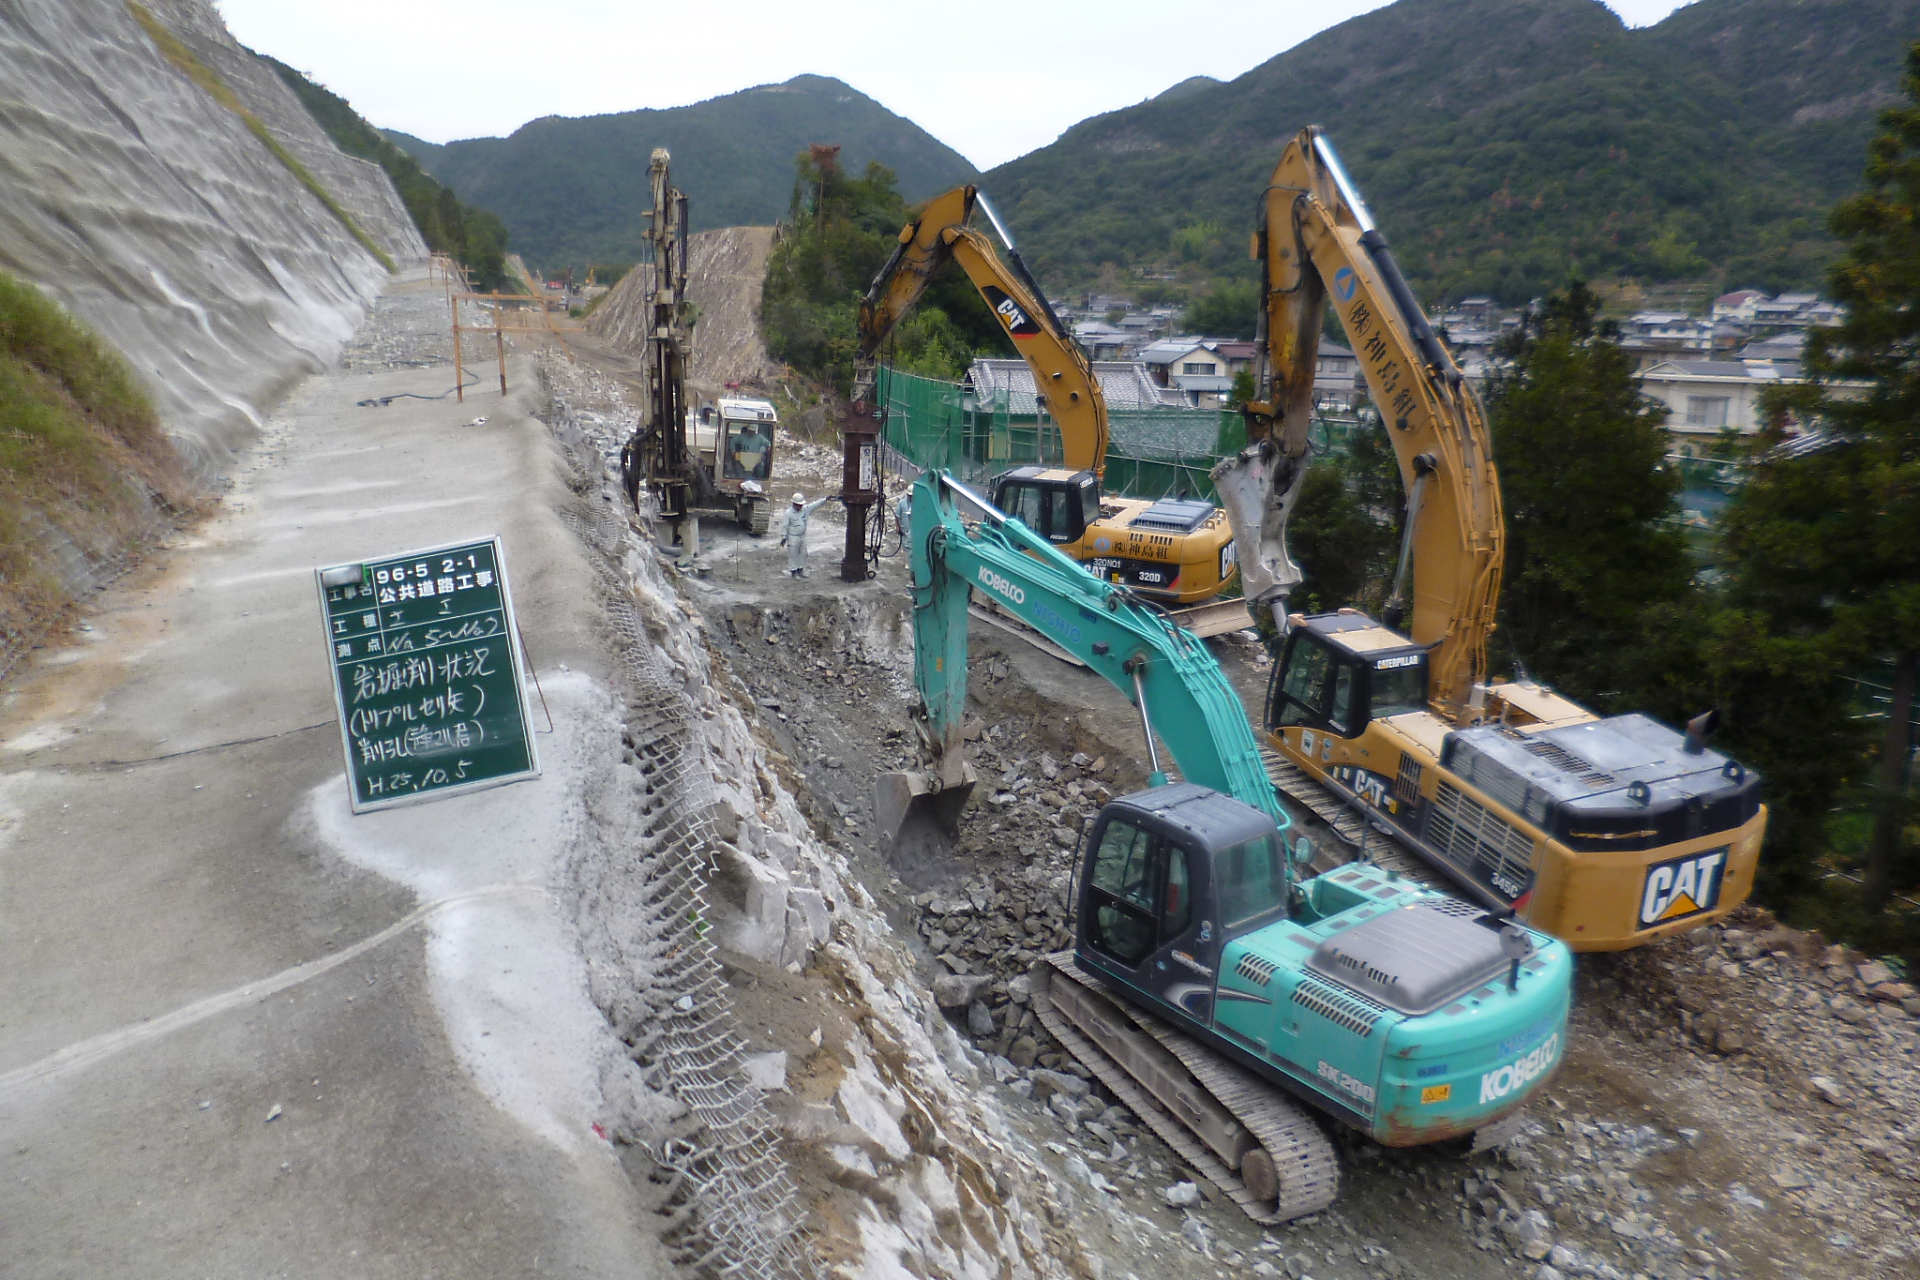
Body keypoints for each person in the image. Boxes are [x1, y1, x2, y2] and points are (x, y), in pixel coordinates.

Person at [779, 491, 833, 576]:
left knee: (803, 554)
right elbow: (785, 526)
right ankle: (793, 572)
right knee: (793, 554)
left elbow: (815, 505)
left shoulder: (805, 509)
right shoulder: (788, 513)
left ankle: (800, 570)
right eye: (799, 505)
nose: (800, 506)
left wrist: (825, 499)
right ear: (794, 504)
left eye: (801, 505)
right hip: (793, 537)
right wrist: (783, 537)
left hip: (802, 536)